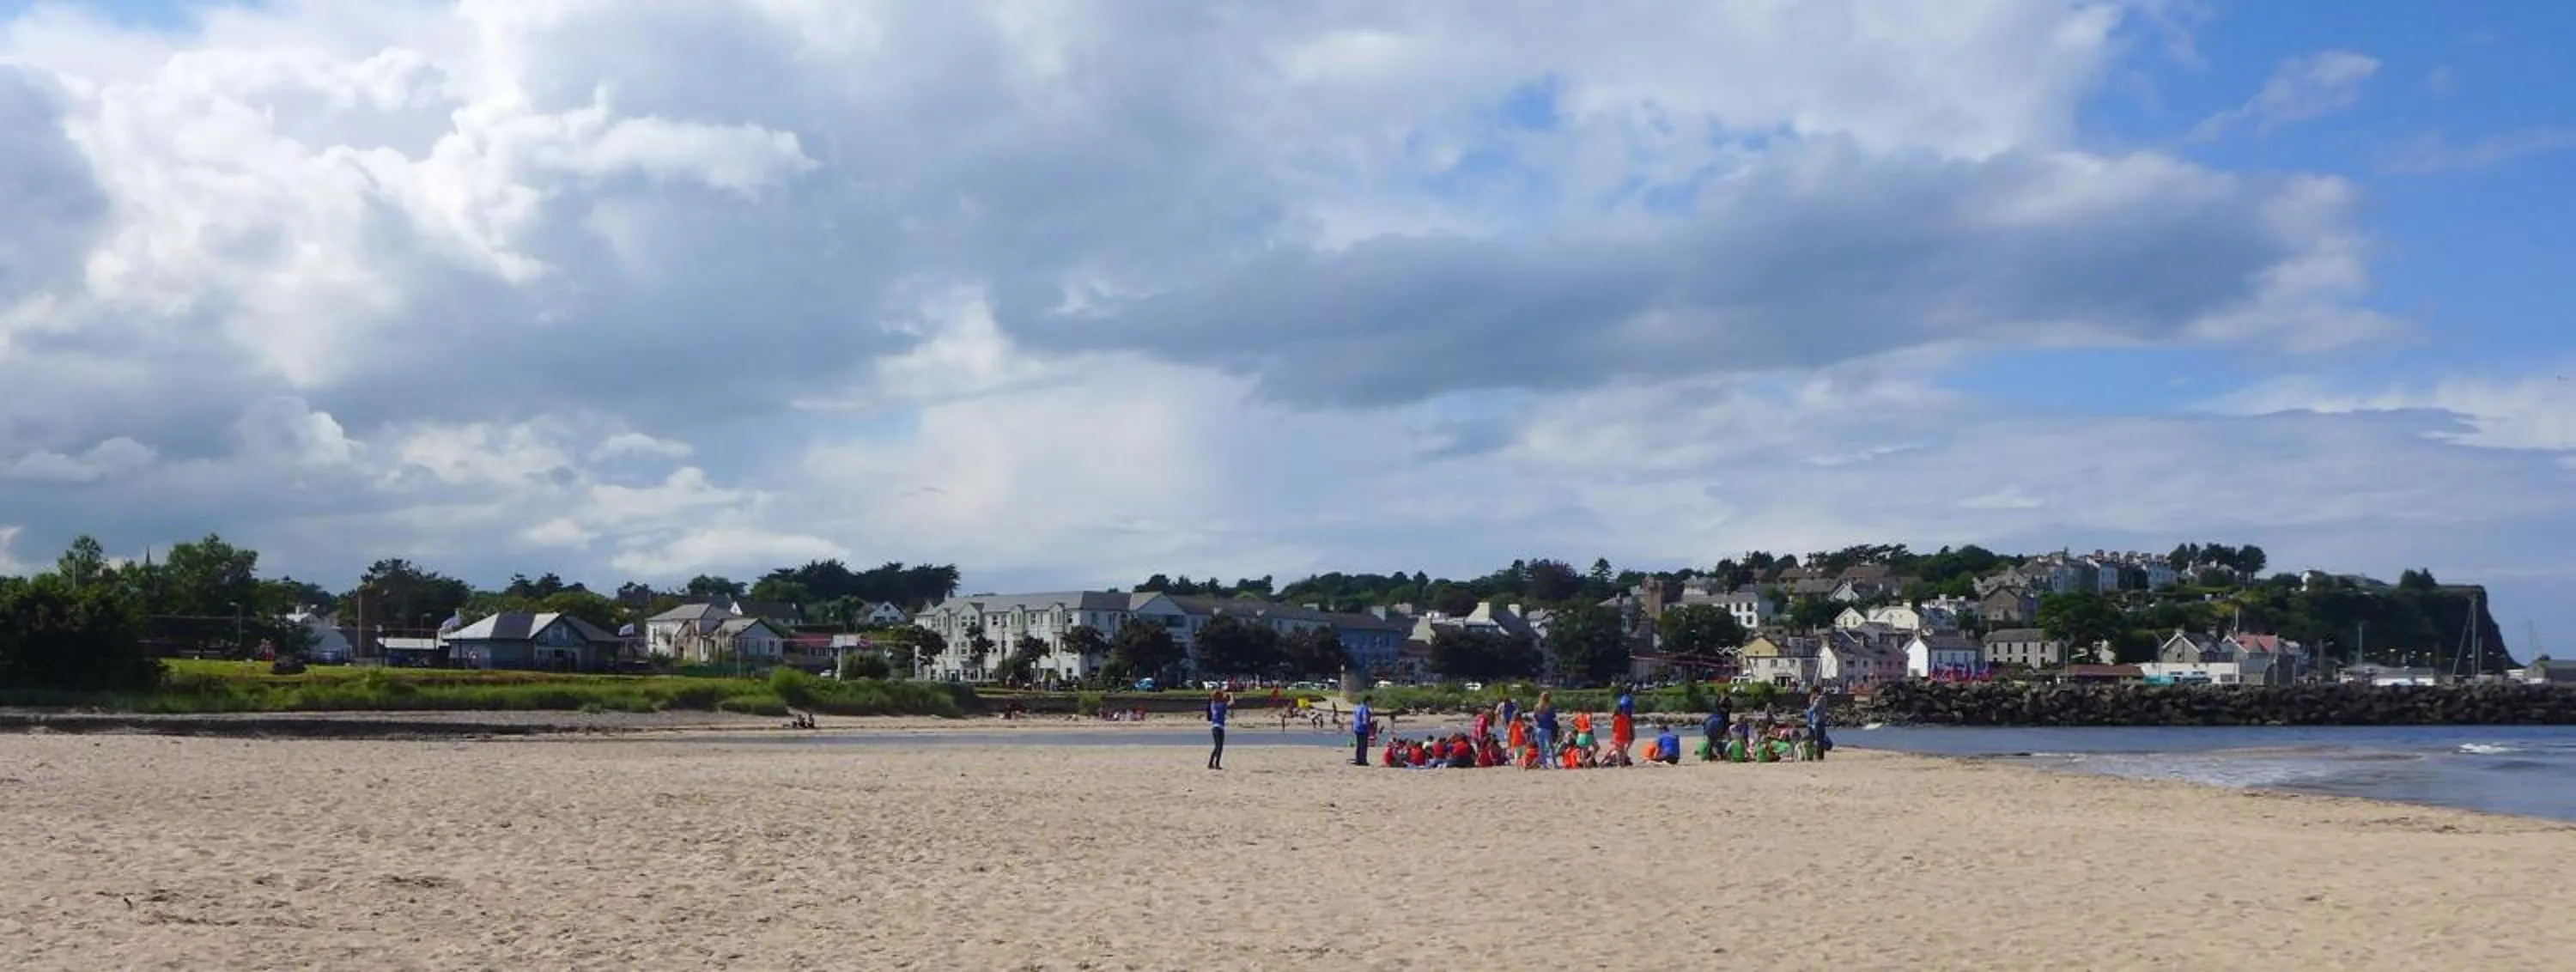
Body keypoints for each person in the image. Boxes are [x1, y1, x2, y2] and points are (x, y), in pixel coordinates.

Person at [1532, 693, 1560, 768]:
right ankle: (1554, 764)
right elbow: (1553, 718)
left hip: (1539, 729)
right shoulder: (1550, 707)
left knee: (1542, 748)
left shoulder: (1537, 707)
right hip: (1547, 729)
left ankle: (1544, 764)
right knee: (1551, 747)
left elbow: (1534, 717)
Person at [1611, 687, 1637, 767]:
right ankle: (1625, 754)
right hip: (1627, 721)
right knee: (1631, 738)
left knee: (1620, 746)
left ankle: (1622, 757)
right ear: (1630, 692)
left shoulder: (1622, 699)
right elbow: (1632, 710)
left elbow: (1613, 728)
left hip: (1620, 726)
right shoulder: (1629, 700)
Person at [1806, 689, 1833, 761]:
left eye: (1813, 693)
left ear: (1815, 692)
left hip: (1818, 721)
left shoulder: (1820, 698)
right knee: (1819, 739)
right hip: (1820, 721)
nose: (1812, 695)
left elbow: (1814, 708)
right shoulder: (1822, 698)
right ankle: (1819, 755)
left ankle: (1819, 756)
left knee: (1818, 739)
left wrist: (1812, 701)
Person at [1206, 690, 1230, 770]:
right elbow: (1231, 702)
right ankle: (1216, 764)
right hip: (1219, 727)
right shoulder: (1220, 705)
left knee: (1217, 746)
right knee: (1219, 746)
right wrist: (1231, 695)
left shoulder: (1213, 704)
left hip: (1215, 727)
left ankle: (1211, 763)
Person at [1351, 694, 1376, 767]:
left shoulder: (1357, 707)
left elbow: (1355, 717)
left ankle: (1358, 760)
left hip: (1356, 727)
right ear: (1368, 701)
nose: (1371, 703)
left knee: (1359, 745)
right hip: (1362, 728)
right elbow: (1365, 720)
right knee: (1364, 745)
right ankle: (1363, 761)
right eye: (1371, 702)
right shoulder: (1365, 708)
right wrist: (1371, 724)